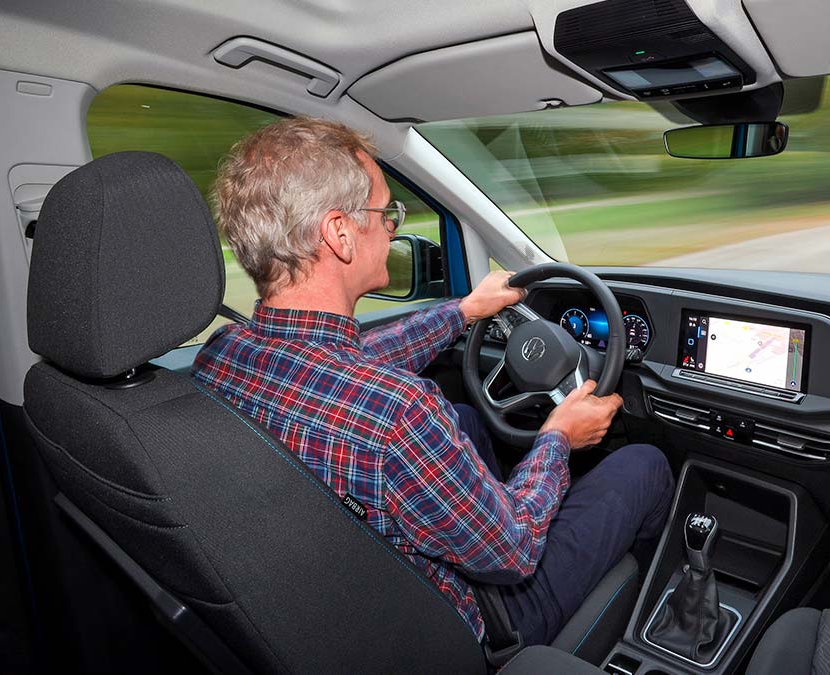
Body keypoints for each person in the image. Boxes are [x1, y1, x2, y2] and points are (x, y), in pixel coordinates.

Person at [192, 116, 673, 649]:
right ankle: (648, 622)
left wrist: (464, 312)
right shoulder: (398, 414)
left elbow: (348, 362)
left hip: (344, 603)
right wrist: (558, 436)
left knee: (466, 419)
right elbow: (512, 550)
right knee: (642, 466)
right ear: (339, 233)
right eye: (385, 211)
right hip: (469, 620)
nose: (394, 226)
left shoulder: (225, 355)